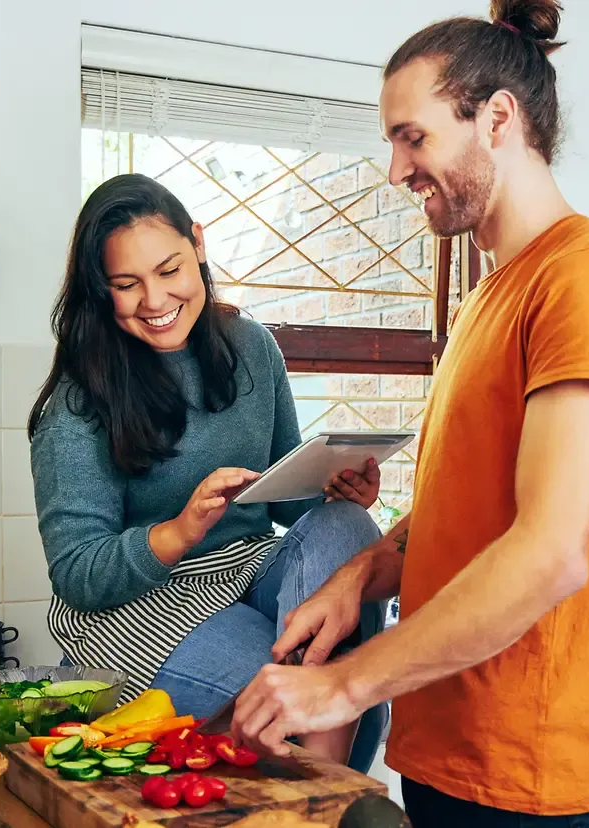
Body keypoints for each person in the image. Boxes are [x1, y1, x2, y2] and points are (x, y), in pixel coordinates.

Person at [229, 0, 589, 825]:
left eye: (412, 136)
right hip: (445, 745)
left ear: (497, 118)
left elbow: (547, 557)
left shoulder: (587, 281)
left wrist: (342, 686)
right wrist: (358, 577)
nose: (395, 169)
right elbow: (464, 518)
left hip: (526, 765)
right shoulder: (489, 296)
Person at [27, 173, 390, 767]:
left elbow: (292, 508)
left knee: (346, 528)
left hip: (248, 573)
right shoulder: (78, 404)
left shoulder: (252, 348)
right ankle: (327, 778)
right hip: (142, 609)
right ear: (101, 290)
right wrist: (179, 530)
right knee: (327, 696)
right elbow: (77, 575)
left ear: (197, 244)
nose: (154, 300)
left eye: (169, 270)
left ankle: (318, 755)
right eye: (126, 284)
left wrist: (336, 487)